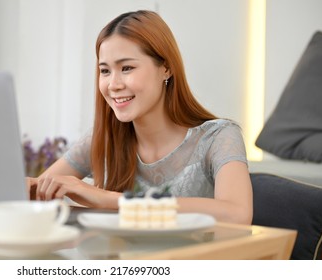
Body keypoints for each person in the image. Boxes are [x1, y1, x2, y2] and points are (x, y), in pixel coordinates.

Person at [27, 10, 252, 225]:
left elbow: (237, 214)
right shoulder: (103, 138)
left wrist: (110, 200)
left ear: (166, 68)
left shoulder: (219, 137)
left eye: (126, 68)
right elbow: (34, 198)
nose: (113, 84)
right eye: (105, 71)